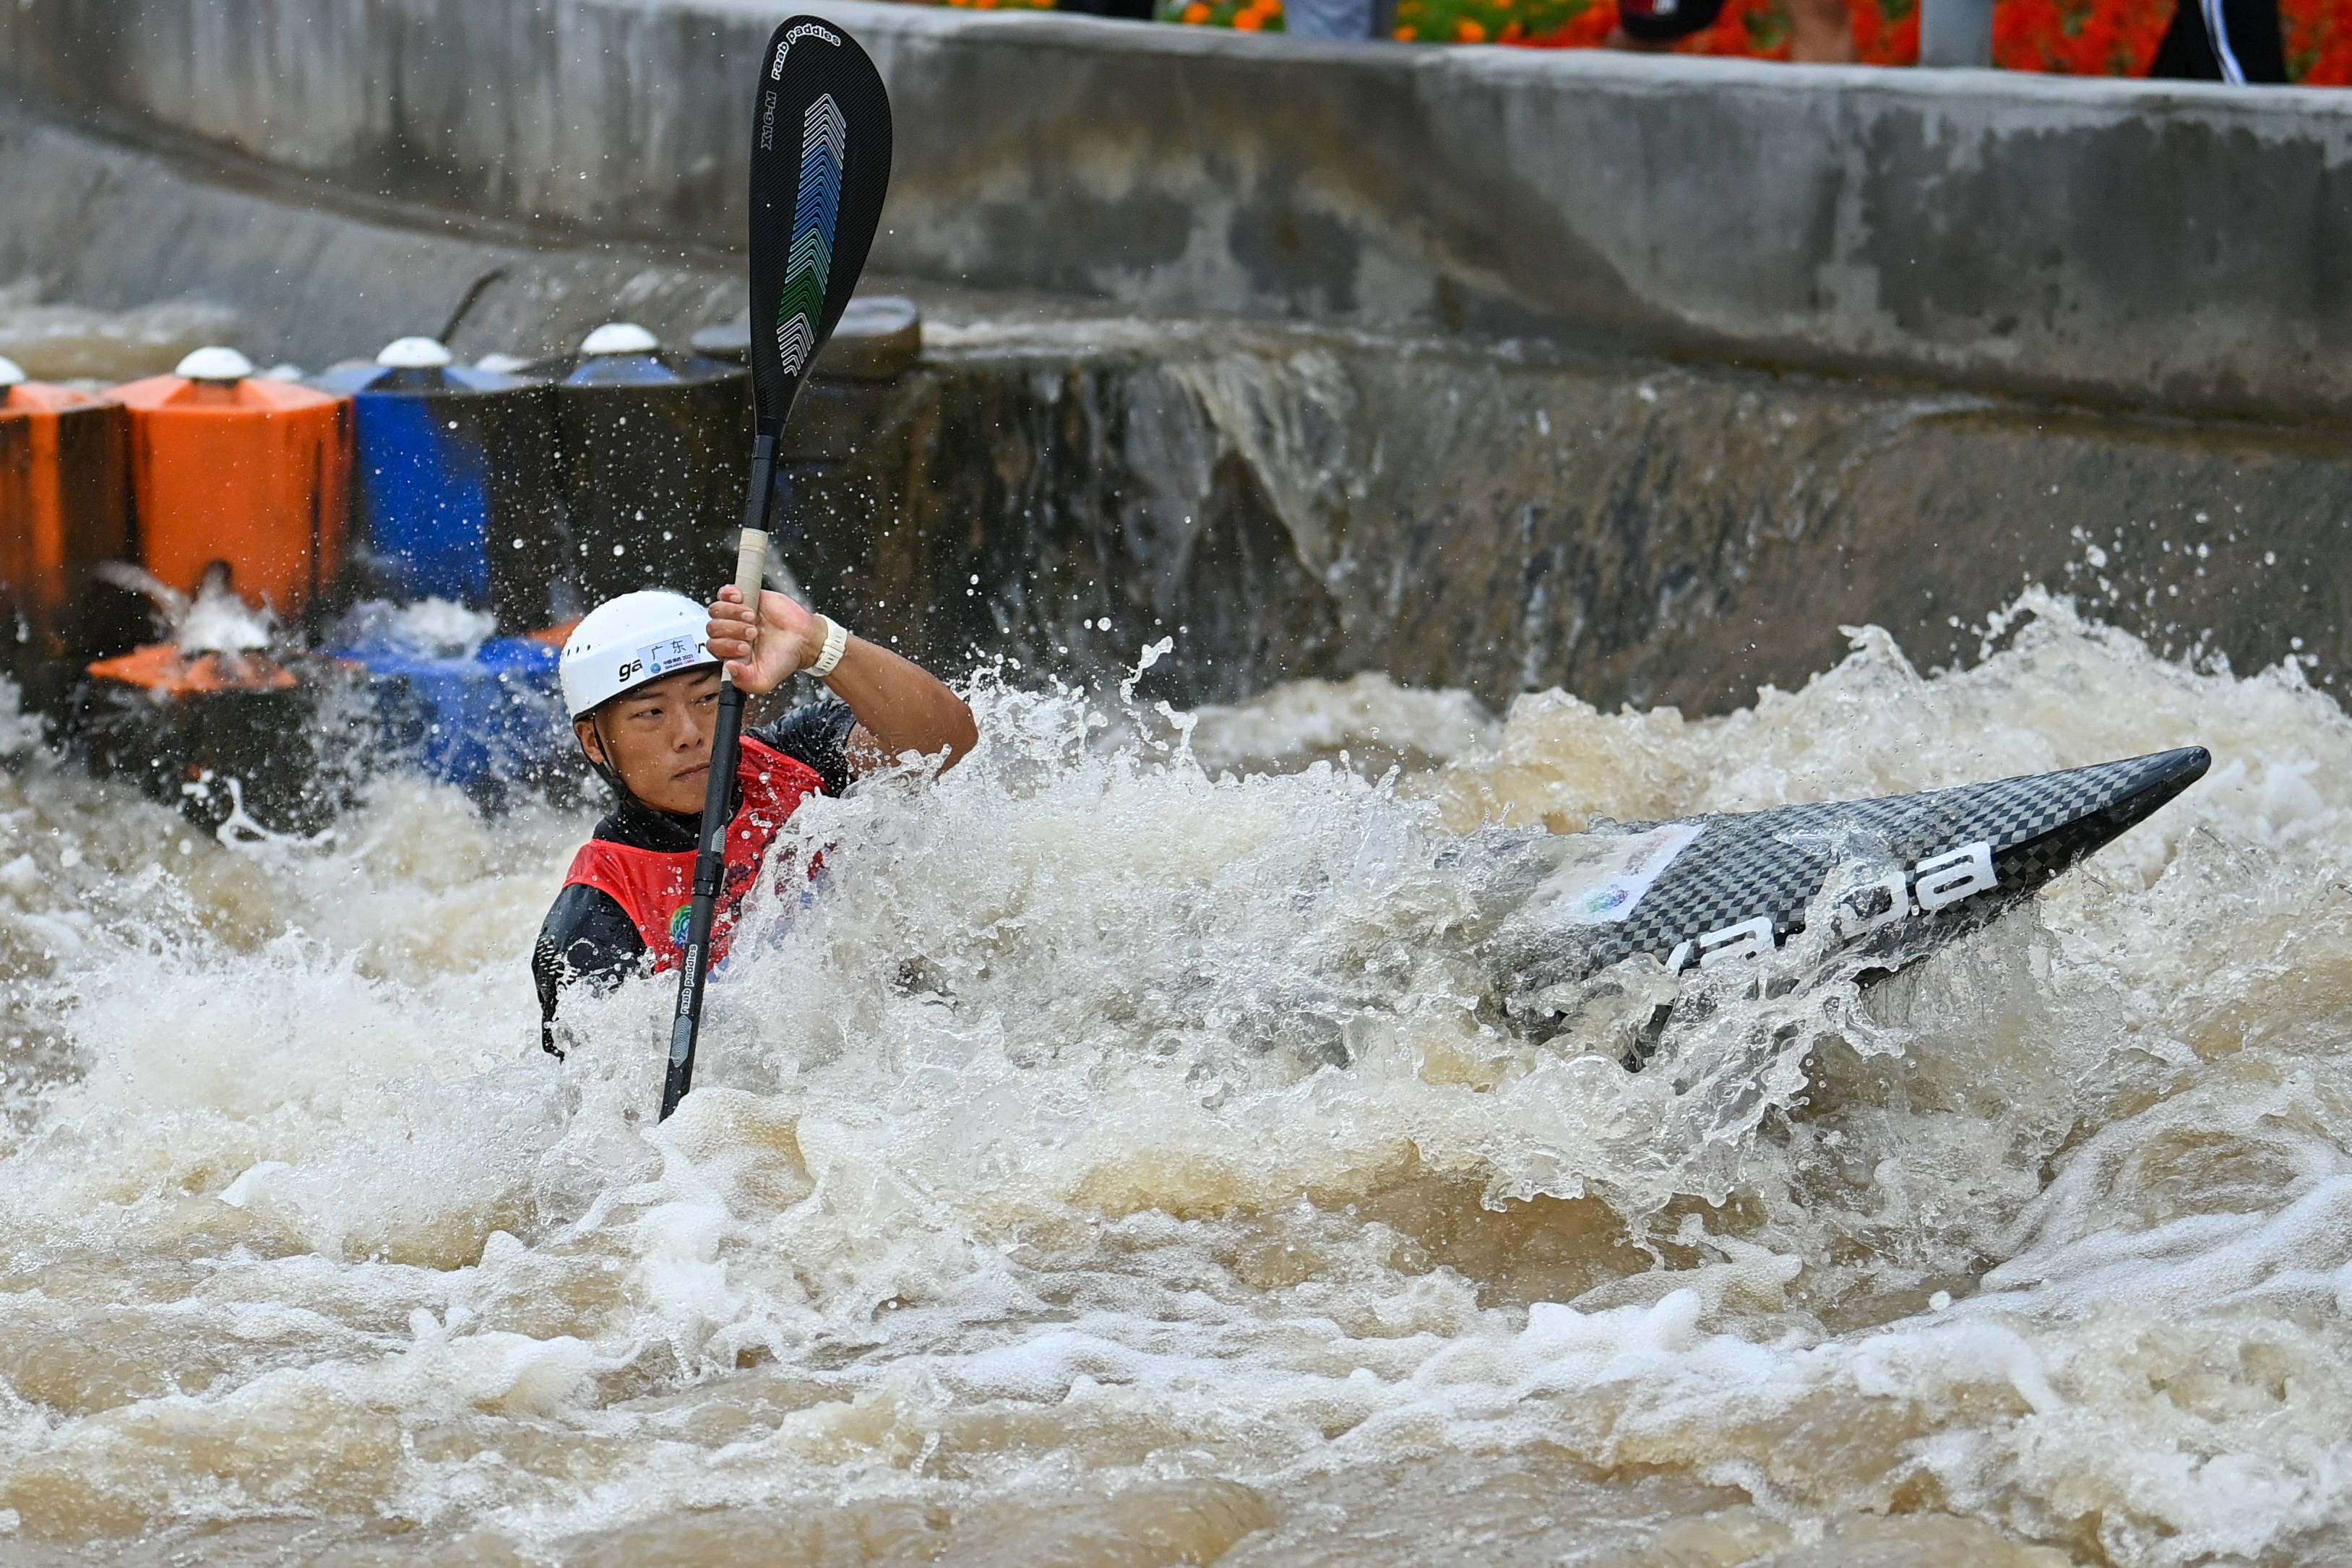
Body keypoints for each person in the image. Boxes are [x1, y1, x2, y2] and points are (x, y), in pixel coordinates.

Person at [533, 585, 978, 1054]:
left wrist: (818, 645)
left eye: (707, 699)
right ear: (593, 741)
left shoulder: (800, 758)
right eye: (651, 713)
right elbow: (608, 1108)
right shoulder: (595, 916)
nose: (687, 734)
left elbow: (944, 745)